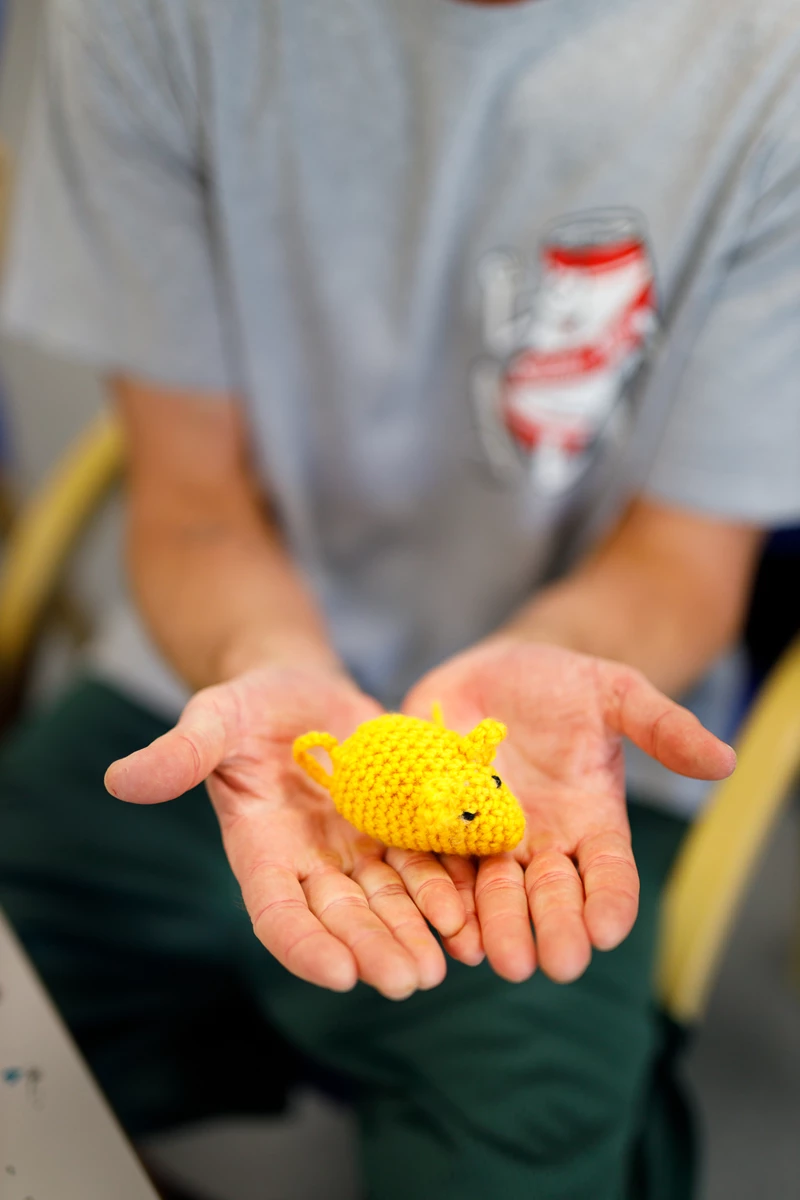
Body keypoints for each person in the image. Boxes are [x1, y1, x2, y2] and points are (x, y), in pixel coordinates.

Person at [1, 0, 799, 1196]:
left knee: (540, 1144)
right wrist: (263, 656)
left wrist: (561, 645)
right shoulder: (143, 20)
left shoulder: (770, 69)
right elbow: (191, 502)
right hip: (210, 686)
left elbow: (685, 562)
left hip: (566, 761)